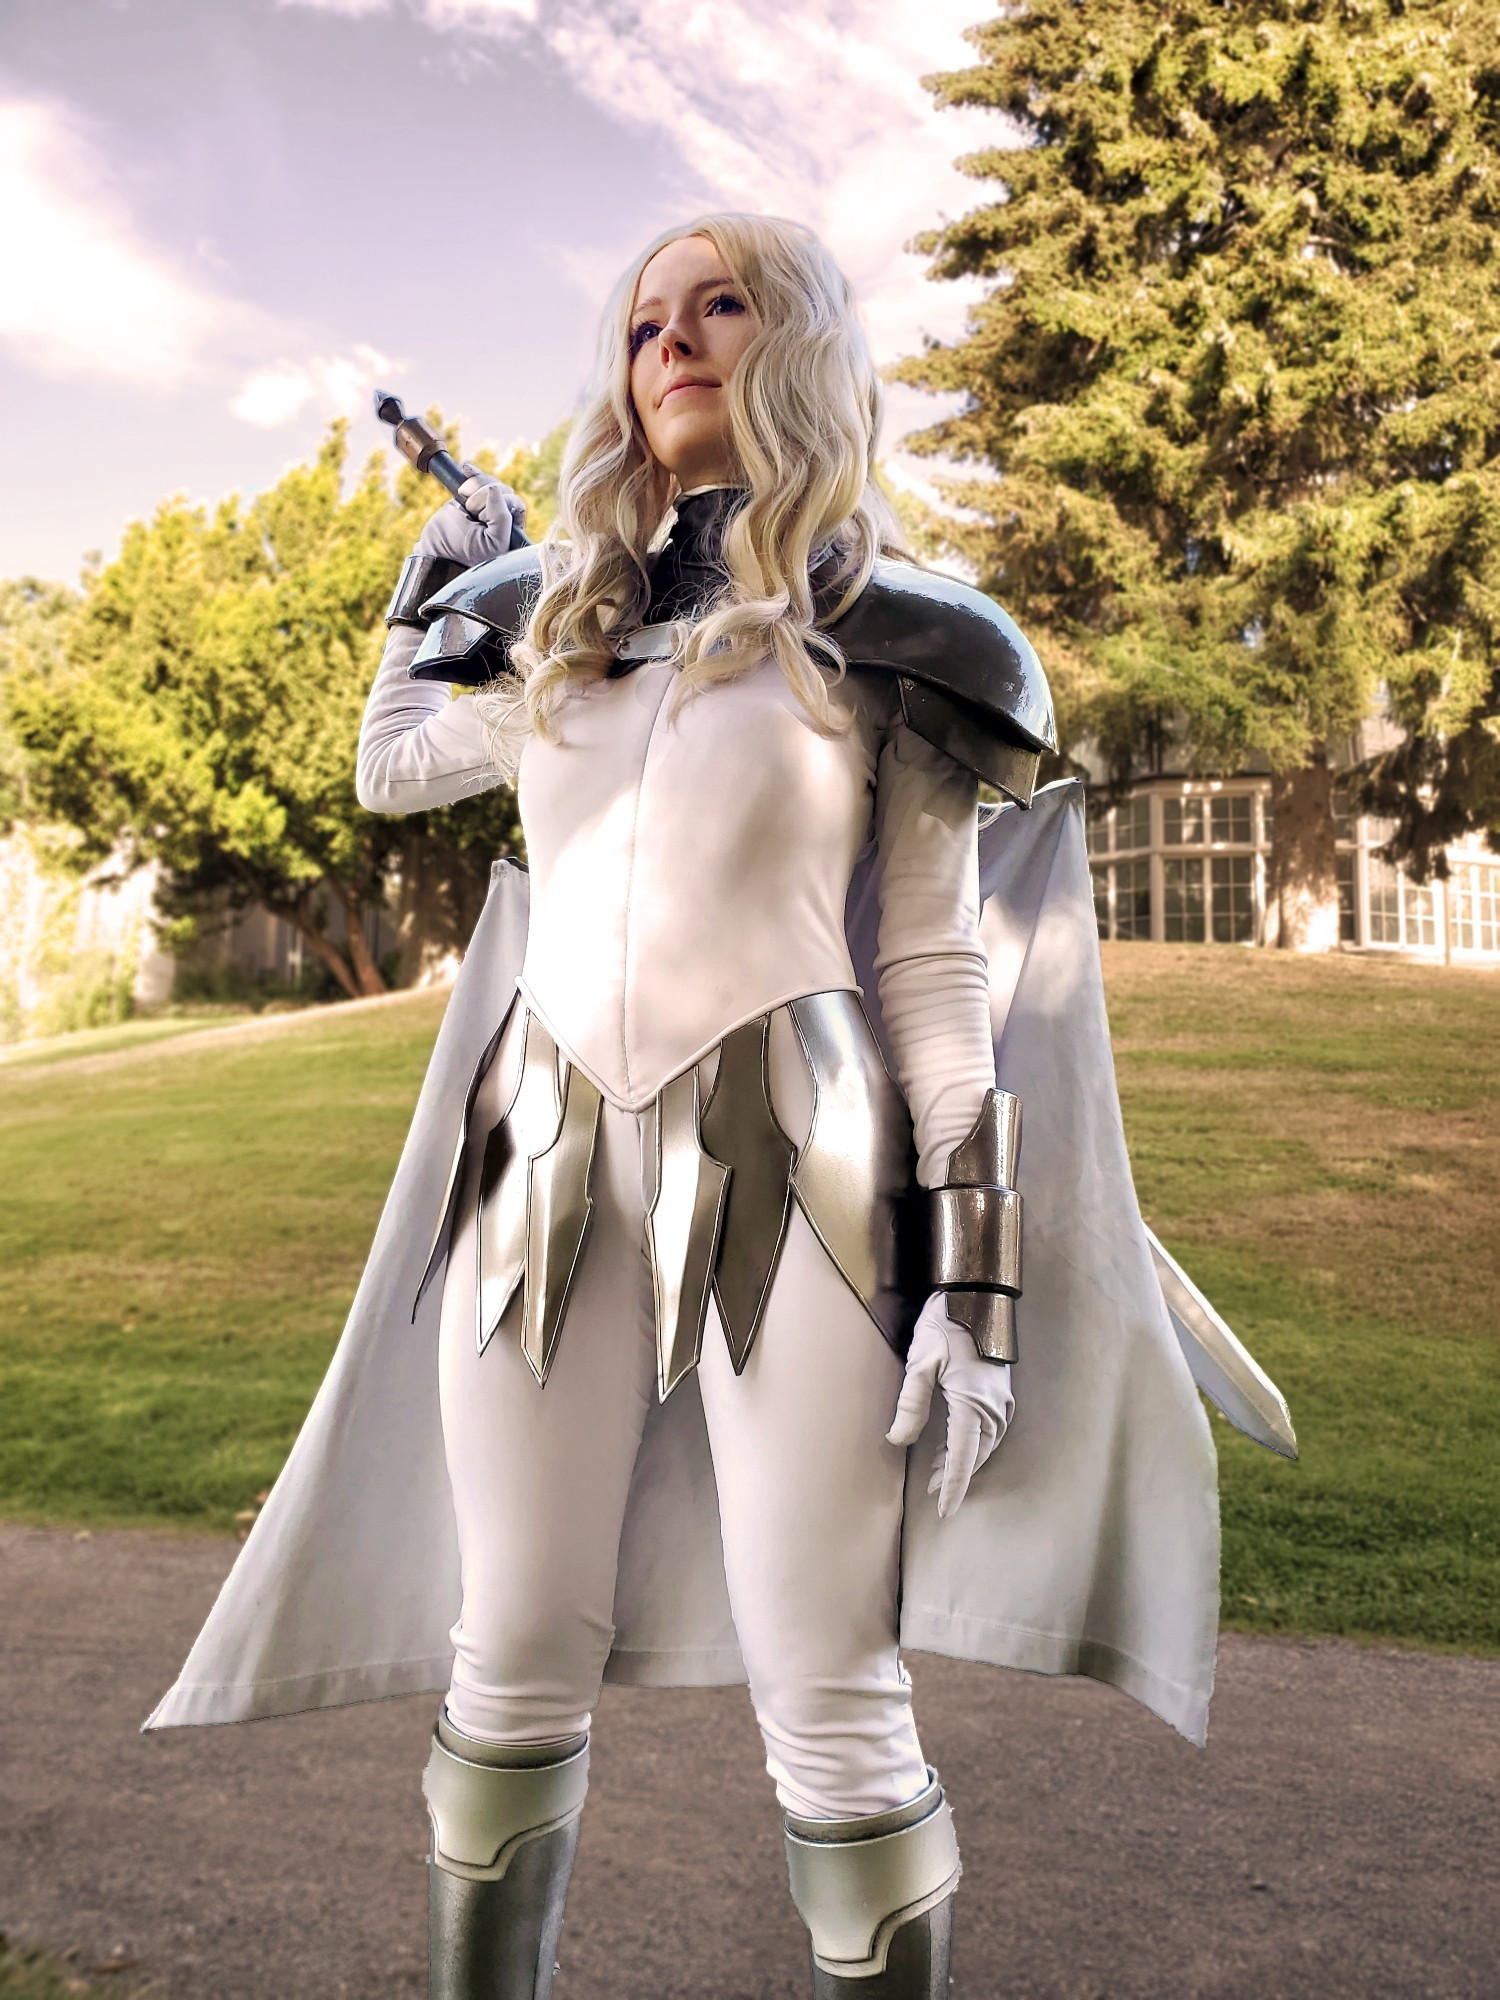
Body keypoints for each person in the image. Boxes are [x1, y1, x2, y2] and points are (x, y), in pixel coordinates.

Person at [146, 212, 1224, 2000]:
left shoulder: (897, 633)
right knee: (509, 1648)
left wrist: (974, 1286)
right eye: (647, 318)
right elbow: (396, 760)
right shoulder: (561, 623)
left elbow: (941, 977)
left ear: (795, 339)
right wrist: (436, 588)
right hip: (540, 1145)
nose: (674, 342)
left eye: (721, 305)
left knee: (832, 1681)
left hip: (794, 1141)